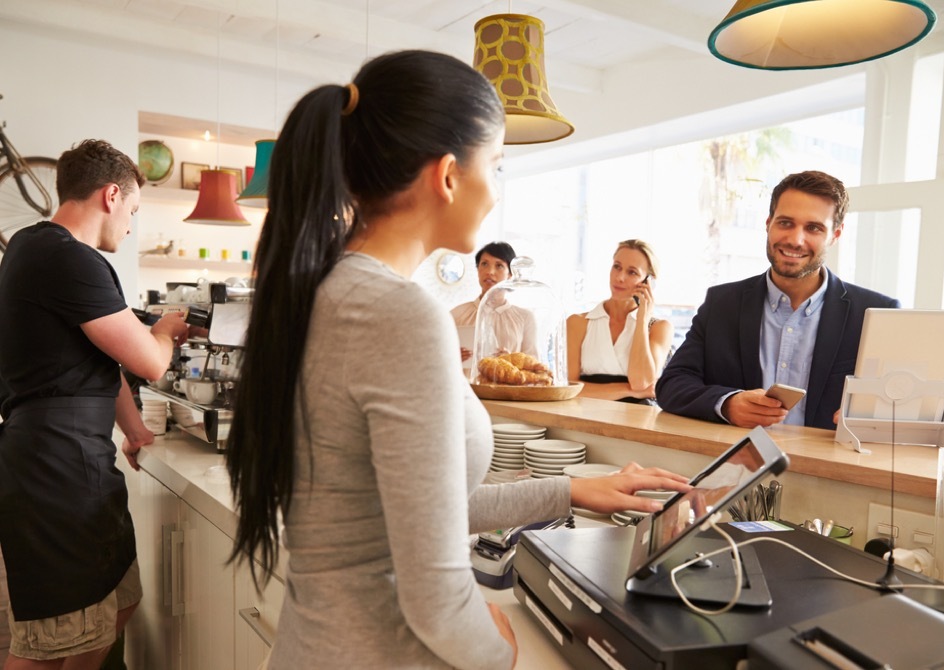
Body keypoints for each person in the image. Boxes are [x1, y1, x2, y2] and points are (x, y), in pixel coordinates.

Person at [225, 50, 690, 670]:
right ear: (448, 175)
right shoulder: (399, 314)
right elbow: (436, 592)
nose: (496, 192)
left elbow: (413, 507)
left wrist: (573, 489)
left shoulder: (330, 288)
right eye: (495, 166)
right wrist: (498, 652)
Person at [0, 139, 190, 669]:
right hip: (54, 471)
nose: (130, 226)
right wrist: (166, 330)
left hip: (73, 460)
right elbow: (150, 363)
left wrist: (134, 430)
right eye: (132, 211)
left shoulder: (32, 246)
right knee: (48, 641)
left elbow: (98, 368)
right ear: (111, 195)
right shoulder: (67, 257)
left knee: (117, 605)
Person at [656, 170, 900, 430]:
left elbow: (898, 404)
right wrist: (727, 404)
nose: (795, 239)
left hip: (828, 468)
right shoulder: (722, 304)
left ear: (835, 235)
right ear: (768, 223)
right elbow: (672, 384)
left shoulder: (876, 313)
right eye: (785, 223)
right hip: (739, 463)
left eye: (813, 228)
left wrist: (877, 418)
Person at [566, 239, 674, 404]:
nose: (620, 277)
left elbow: (642, 383)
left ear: (648, 282)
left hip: (635, 423)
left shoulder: (659, 328)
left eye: (632, 272)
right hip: (583, 418)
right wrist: (627, 390)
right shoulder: (578, 323)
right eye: (617, 267)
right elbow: (568, 389)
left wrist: (642, 320)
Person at [451, 241, 538, 362]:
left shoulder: (525, 318)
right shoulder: (455, 315)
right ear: (477, 270)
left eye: (499, 266)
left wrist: (513, 361)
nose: (490, 272)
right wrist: (452, 358)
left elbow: (534, 367)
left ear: (510, 274)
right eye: (484, 264)